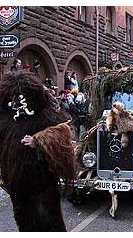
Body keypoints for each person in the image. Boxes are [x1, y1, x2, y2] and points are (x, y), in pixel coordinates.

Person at [0, 71, 75, 231]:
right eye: (13, 96)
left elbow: (63, 131)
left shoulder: (45, 115)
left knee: (49, 221)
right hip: (17, 185)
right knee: (24, 222)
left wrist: (39, 140)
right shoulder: (5, 118)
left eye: (20, 96)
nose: (16, 100)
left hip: (42, 184)